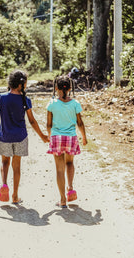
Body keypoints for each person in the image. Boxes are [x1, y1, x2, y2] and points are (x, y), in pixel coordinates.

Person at [0, 70, 49, 204]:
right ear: (23, 84)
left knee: (4, 162)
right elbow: (31, 121)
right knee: (17, 166)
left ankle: (4, 184)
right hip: (20, 137)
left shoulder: (1, 97)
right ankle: (15, 195)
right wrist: (42, 135)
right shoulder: (25, 99)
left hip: (5, 136)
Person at [46, 75, 87, 208]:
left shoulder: (52, 104)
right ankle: (70, 188)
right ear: (70, 88)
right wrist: (84, 137)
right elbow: (80, 123)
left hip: (57, 138)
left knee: (59, 169)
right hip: (71, 138)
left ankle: (63, 199)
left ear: (56, 88)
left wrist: (49, 136)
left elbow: (48, 124)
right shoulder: (75, 104)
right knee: (70, 162)